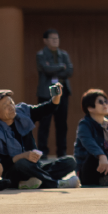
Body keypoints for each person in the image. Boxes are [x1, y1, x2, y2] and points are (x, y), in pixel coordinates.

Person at [0, 89, 80, 189]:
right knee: (22, 163)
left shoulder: (23, 113)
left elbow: (46, 108)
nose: (11, 107)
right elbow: (2, 164)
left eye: (11, 103)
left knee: (70, 161)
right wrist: (22, 156)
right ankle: (55, 183)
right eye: (5, 106)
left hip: (35, 167)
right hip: (14, 171)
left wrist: (56, 97)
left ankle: (31, 183)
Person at [35, 29, 74, 158]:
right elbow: (46, 69)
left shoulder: (64, 54)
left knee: (62, 123)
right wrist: (61, 67)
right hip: (46, 93)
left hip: (62, 92)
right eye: (52, 38)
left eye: (57, 38)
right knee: (44, 123)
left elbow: (70, 71)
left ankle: (62, 152)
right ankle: (43, 152)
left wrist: (54, 68)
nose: (55, 41)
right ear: (45, 40)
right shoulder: (41, 54)